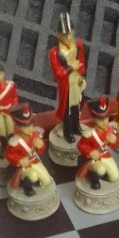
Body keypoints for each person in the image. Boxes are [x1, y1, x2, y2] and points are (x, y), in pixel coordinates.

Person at [49, 12, 87, 143]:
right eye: (65, 35)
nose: (68, 37)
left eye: (70, 34)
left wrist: (81, 75)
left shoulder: (78, 45)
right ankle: (67, 131)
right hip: (66, 84)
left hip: (77, 81)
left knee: (78, 105)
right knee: (67, 109)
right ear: (59, 35)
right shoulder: (54, 52)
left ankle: (76, 126)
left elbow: (81, 62)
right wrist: (71, 68)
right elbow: (57, 73)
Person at [5, 103, 51, 196]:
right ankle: (27, 187)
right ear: (18, 127)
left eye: (31, 125)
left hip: (33, 161)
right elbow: (8, 155)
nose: (30, 129)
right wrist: (20, 161)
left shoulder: (35, 135)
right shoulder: (15, 141)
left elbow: (40, 151)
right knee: (33, 175)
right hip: (23, 166)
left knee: (47, 181)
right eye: (25, 127)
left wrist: (41, 145)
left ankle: (34, 180)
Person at [77, 96, 119, 189]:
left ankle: (98, 175)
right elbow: (81, 145)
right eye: (100, 119)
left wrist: (114, 141)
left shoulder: (111, 129)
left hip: (105, 155)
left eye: (106, 118)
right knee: (101, 169)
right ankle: (94, 180)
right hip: (94, 159)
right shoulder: (89, 134)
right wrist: (90, 152)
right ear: (94, 119)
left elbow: (115, 145)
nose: (104, 122)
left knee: (114, 177)